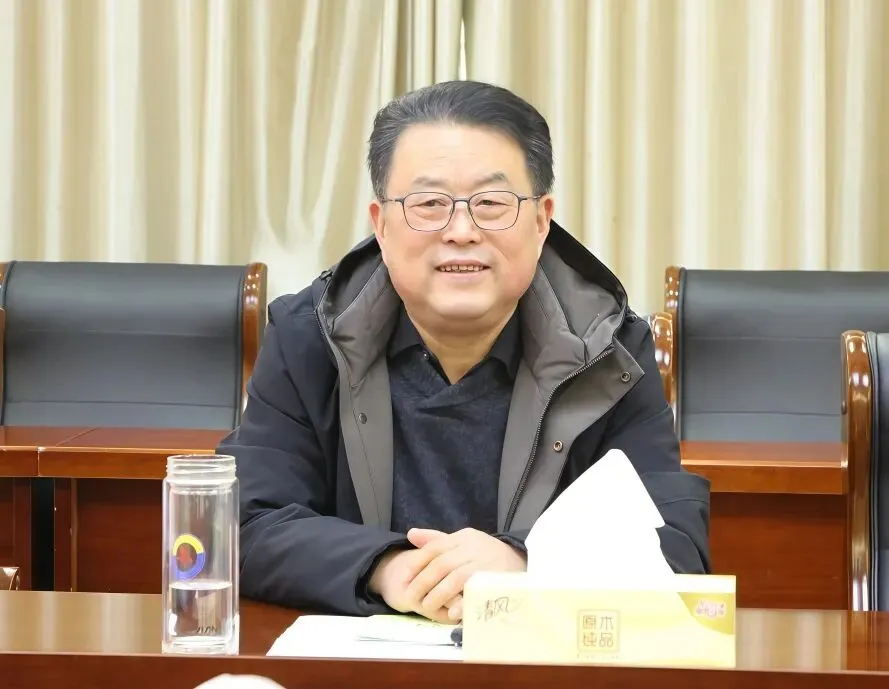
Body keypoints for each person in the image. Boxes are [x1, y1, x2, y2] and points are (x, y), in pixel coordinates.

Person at [220, 80, 711, 624]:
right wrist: (388, 568)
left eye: (491, 204)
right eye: (429, 204)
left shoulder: (608, 348)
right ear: (381, 225)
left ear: (542, 221)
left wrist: (526, 564)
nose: (460, 230)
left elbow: (675, 548)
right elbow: (242, 524)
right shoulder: (309, 336)